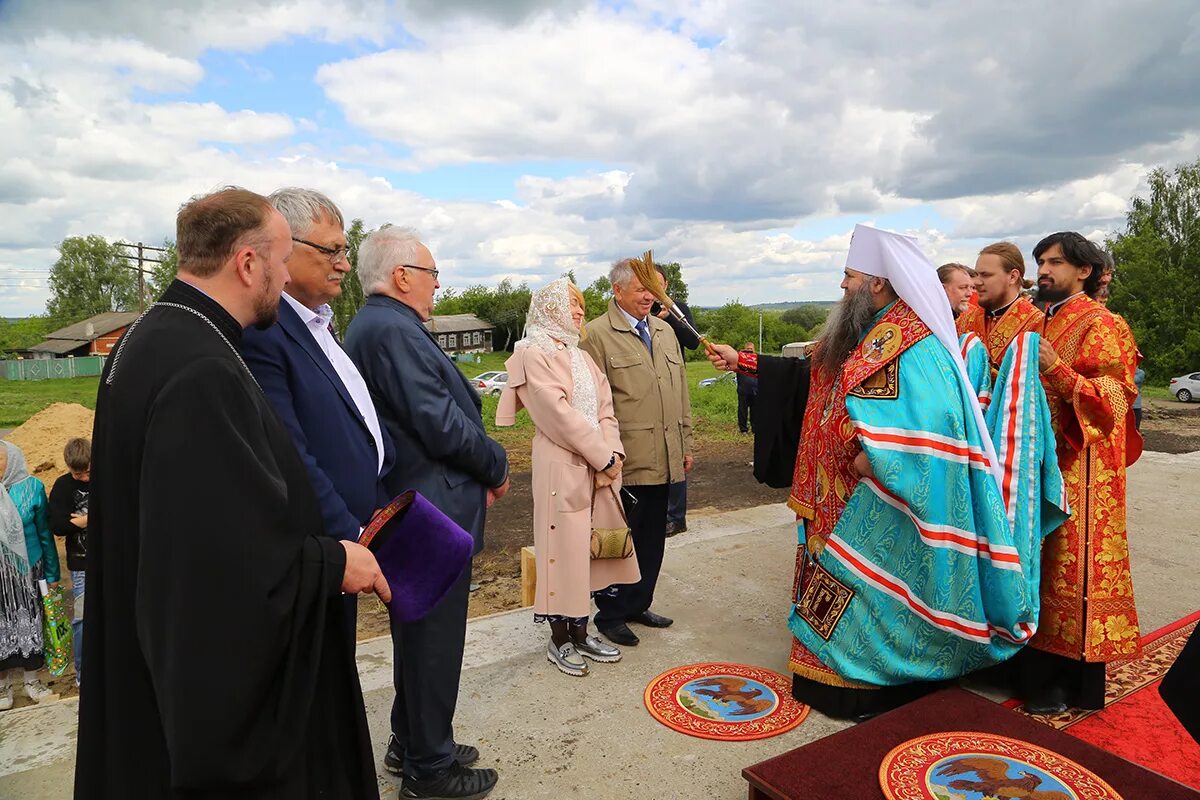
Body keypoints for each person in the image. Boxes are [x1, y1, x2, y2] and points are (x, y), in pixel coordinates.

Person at [75, 187, 389, 799]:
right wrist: (331, 560)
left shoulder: (158, 337)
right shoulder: (201, 368)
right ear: (248, 264)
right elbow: (217, 559)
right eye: (276, 262)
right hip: (209, 708)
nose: (281, 278)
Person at [707, 224, 1064, 720]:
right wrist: (742, 360)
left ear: (877, 283)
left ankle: (858, 685)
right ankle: (823, 671)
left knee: (867, 598)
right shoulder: (866, 330)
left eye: (849, 276)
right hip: (826, 494)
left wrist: (875, 459)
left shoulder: (910, 339)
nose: (842, 287)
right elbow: (812, 371)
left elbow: (936, 417)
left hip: (870, 498)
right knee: (827, 582)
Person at [345, 225, 507, 800]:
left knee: (421, 636)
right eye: (434, 274)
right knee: (434, 639)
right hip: (431, 508)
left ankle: (411, 739)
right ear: (403, 276)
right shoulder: (391, 329)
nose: (438, 285)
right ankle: (430, 769)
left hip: (421, 502)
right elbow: (439, 423)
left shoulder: (384, 326)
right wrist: (496, 463)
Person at [240, 188, 393, 647]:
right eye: (332, 250)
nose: (344, 263)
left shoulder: (318, 323)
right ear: (285, 248)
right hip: (323, 548)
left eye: (344, 251)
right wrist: (352, 536)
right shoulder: (267, 332)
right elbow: (292, 451)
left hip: (348, 539)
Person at [1014, 231, 1142, 715]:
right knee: (1037, 565)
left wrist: (1059, 371)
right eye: (1041, 262)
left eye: (1055, 263)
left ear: (1083, 271)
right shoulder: (1042, 321)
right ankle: (1032, 670)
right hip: (1038, 463)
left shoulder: (1102, 323)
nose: (1043, 271)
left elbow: (1113, 401)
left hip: (1082, 471)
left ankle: (1069, 682)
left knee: (1072, 570)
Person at [496, 278, 640, 677]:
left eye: (580, 306)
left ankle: (581, 630)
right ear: (550, 309)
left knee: (588, 551)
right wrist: (601, 455)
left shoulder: (581, 356)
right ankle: (559, 638)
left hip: (598, 465)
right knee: (563, 548)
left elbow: (606, 409)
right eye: (571, 305)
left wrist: (613, 455)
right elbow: (555, 413)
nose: (580, 312)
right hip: (562, 463)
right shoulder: (532, 352)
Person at [580, 258, 694, 648]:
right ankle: (611, 613)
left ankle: (639, 602)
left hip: (665, 453)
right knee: (617, 538)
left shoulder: (664, 331)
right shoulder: (595, 335)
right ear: (617, 290)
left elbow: (681, 393)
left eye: (657, 290)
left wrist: (685, 443)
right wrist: (600, 457)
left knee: (652, 536)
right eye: (643, 289)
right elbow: (588, 405)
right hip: (622, 459)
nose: (651, 296)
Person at [0, 441, 61, 708]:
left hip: (28, 570)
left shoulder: (33, 488)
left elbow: (45, 534)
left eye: (0, 459)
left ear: (12, 459)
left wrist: (52, 572)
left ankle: (32, 681)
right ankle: (3, 688)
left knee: (32, 623)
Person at [652, 262, 699, 536]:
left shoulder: (679, 307)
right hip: (647, 384)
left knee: (678, 448)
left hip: (672, 384)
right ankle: (658, 512)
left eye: (658, 284)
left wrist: (670, 316)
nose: (652, 290)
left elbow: (692, 342)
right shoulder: (641, 308)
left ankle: (676, 516)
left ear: (666, 286)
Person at [956, 242, 1045, 373]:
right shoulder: (964, 320)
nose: (976, 282)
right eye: (977, 275)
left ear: (1013, 277)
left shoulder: (1038, 324)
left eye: (986, 275)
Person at [48, 437, 90, 687]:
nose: (84, 478)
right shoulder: (63, 487)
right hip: (81, 564)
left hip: (112, 561)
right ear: (68, 468)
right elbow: (57, 525)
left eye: (87, 472)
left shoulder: (106, 478)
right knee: (83, 619)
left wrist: (80, 520)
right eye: (78, 474)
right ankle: (82, 674)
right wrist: (86, 521)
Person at [736, 342, 759, 434]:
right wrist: (743, 353)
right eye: (747, 349)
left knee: (755, 411)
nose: (749, 351)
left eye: (751, 349)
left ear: (754, 349)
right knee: (742, 410)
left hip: (755, 389)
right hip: (743, 390)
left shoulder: (757, 359)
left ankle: (755, 428)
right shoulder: (740, 359)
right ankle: (743, 429)